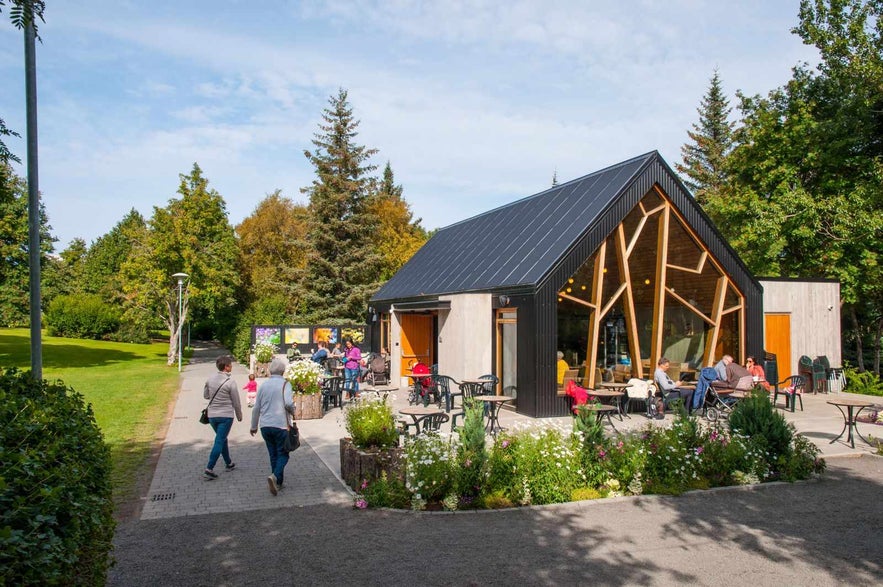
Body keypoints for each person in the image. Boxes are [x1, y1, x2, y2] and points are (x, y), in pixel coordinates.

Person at [250, 357, 296, 496]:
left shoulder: (264, 385)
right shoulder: (285, 384)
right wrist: (293, 412)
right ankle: (275, 476)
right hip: (280, 424)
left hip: (265, 425)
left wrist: (253, 426)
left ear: (270, 370)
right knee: (284, 454)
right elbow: (288, 403)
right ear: (283, 371)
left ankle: (278, 482)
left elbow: (256, 407)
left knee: (273, 453)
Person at [203, 354, 242, 479]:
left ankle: (228, 463)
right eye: (230, 365)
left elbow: (206, 396)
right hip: (226, 416)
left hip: (212, 416)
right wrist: (239, 415)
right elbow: (236, 401)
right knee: (219, 440)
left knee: (222, 438)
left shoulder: (210, 379)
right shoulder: (230, 382)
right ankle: (209, 467)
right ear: (226, 367)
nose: (232, 366)